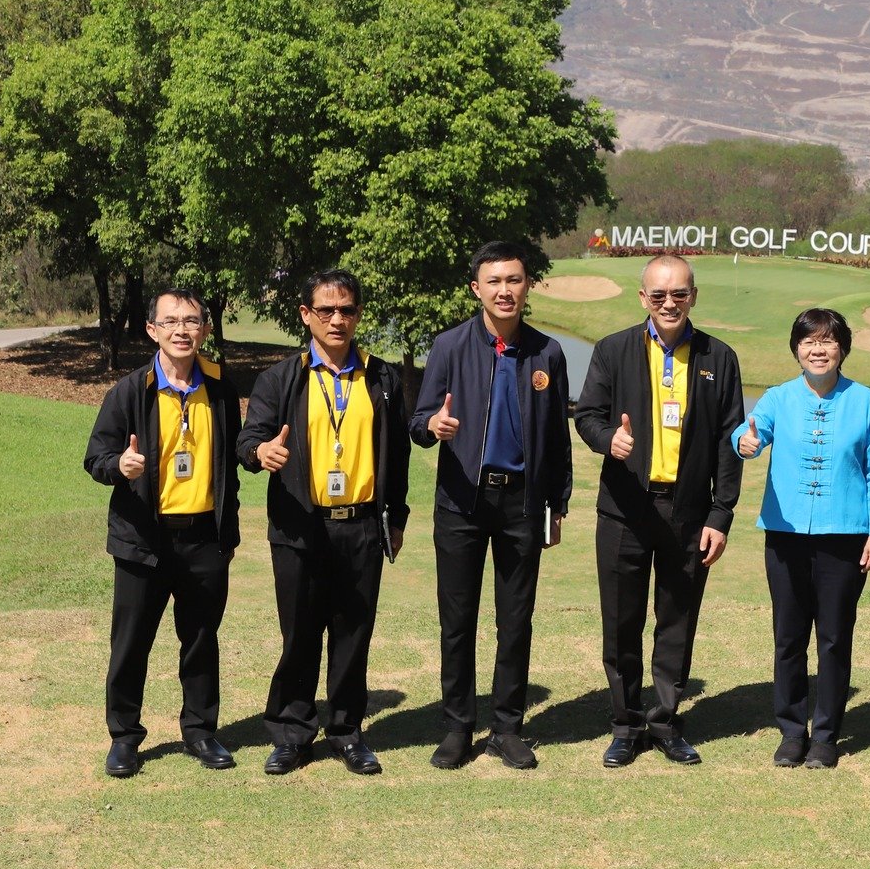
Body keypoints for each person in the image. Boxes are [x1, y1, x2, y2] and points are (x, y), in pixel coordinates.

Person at [574, 253, 745, 767]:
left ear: (694, 296)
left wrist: (720, 515)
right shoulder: (613, 349)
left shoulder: (719, 357)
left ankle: (665, 721)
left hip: (688, 514)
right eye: (659, 294)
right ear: (643, 297)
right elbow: (587, 415)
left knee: (677, 621)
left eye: (679, 294)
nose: (669, 303)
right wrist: (609, 439)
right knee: (621, 623)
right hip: (625, 509)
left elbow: (730, 441)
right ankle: (626, 725)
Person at [238, 269, 411, 777]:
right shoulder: (280, 378)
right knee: (300, 635)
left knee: (353, 634)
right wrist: (260, 453)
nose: (338, 319)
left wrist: (396, 518)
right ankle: (291, 734)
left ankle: (347, 732)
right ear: (306, 315)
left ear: (358, 314)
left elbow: (398, 455)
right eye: (327, 310)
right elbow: (248, 439)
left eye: (347, 310)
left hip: (360, 526)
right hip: (300, 527)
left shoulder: (381, 378)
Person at [410, 241, 572, 771]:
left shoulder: (548, 353)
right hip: (462, 501)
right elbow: (418, 421)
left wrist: (557, 504)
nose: (505, 291)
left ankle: (506, 728)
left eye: (514, 280)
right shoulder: (450, 346)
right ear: (476, 288)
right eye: (494, 281)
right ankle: (458, 727)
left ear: (527, 286)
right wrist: (434, 426)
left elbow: (558, 438)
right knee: (457, 620)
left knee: (516, 621)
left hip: (522, 503)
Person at [82, 287, 242, 779]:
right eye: (170, 321)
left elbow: (233, 458)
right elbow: (96, 457)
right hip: (143, 540)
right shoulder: (129, 391)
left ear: (205, 330)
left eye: (191, 321)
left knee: (200, 641)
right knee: (131, 644)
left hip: (204, 538)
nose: (181, 330)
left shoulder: (220, 388)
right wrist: (120, 465)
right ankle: (124, 737)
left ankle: (200, 730)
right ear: (152, 330)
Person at [737, 308, 870, 769]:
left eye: (828, 341)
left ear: (842, 348)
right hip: (786, 536)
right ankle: (791, 731)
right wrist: (744, 442)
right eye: (809, 341)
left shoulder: (864, 401)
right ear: (796, 348)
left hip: (845, 537)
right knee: (788, 637)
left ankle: (825, 735)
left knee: (834, 638)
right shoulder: (778, 397)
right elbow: (750, 432)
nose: (818, 350)